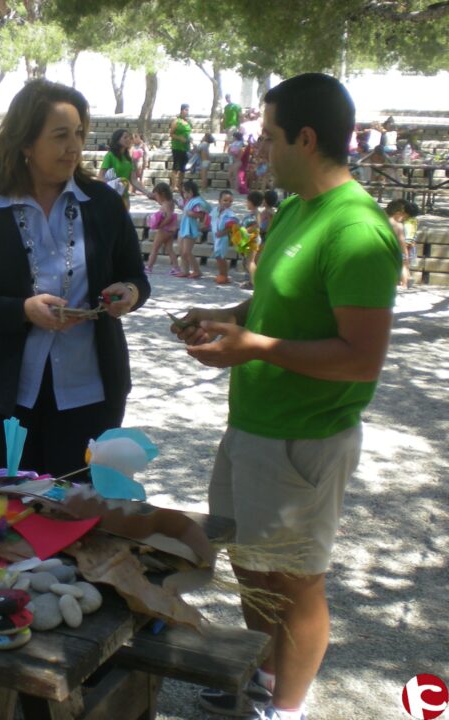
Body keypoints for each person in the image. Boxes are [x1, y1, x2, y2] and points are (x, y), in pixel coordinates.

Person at [172, 73, 401, 720]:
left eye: (269, 138)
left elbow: (363, 358)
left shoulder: (356, 231)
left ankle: (288, 709)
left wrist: (255, 349)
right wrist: (226, 316)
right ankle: (263, 678)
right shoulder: (299, 208)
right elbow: (276, 304)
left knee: (295, 583)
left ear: (306, 137)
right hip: (253, 426)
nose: (258, 151)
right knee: (251, 564)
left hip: (303, 439)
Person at [0, 79, 151, 478]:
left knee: (77, 505)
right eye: (60, 136)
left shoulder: (103, 203)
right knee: (16, 504)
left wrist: (130, 292)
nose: (74, 147)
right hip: (4, 395)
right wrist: (22, 311)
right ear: (26, 143)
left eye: (79, 134)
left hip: (91, 390)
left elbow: (135, 276)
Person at [96, 128, 146, 204]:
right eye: (125, 137)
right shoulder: (110, 156)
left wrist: (148, 193)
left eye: (129, 137)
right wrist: (115, 183)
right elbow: (100, 177)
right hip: (111, 197)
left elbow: (134, 180)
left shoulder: (128, 158)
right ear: (117, 140)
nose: (128, 139)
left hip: (124, 198)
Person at [145, 182, 181, 276]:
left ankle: (149, 267)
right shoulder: (170, 201)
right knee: (170, 249)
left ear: (162, 195)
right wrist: (151, 195)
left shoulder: (165, 204)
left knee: (155, 248)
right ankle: (176, 268)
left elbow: (168, 217)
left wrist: (160, 225)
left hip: (164, 230)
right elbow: (156, 198)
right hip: (171, 230)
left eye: (157, 196)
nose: (156, 198)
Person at [178, 179, 210, 279]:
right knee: (182, 251)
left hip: (190, 229)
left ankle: (197, 270)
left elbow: (201, 214)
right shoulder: (189, 201)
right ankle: (185, 270)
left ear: (191, 191)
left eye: (185, 192)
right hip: (184, 228)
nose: (184, 194)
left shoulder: (197, 202)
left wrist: (192, 214)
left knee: (186, 252)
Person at [209, 189, 237, 284]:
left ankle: (224, 275)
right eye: (225, 200)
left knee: (221, 257)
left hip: (223, 238)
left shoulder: (230, 214)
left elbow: (232, 226)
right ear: (219, 200)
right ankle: (222, 274)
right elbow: (211, 219)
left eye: (230, 201)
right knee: (218, 256)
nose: (227, 203)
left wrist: (224, 232)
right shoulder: (215, 211)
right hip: (216, 237)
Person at [385, 198, 411, 289]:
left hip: (386, 249)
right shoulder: (398, 225)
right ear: (397, 213)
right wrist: (406, 253)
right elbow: (402, 241)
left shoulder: (384, 222)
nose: (403, 217)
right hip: (397, 249)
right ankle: (404, 284)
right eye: (402, 215)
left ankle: (392, 282)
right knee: (403, 266)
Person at [168, 103, 193, 193]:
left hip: (186, 148)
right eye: (186, 110)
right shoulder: (176, 121)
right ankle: (173, 186)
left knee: (183, 168)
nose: (187, 112)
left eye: (188, 110)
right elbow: (171, 134)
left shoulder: (188, 122)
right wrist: (180, 138)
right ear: (181, 110)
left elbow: (189, 134)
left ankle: (180, 185)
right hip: (177, 147)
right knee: (176, 167)